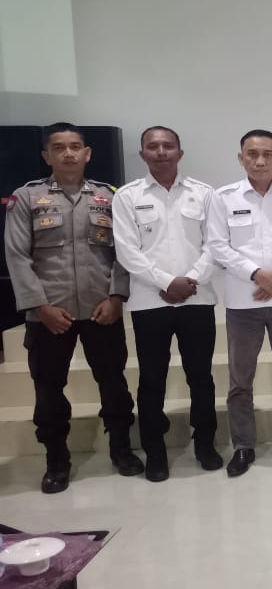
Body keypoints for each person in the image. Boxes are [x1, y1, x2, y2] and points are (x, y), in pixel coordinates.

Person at [3, 121, 143, 493]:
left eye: (75, 147)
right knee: (49, 390)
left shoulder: (109, 197)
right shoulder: (26, 198)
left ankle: (121, 449)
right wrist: (40, 306)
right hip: (49, 314)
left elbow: (124, 253)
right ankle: (56, 461)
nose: (68, 154)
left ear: (87, 153)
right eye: (59, 147)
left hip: (101, 309)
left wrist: (117, 297)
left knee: (113, 384)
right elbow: (17, 257)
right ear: (46, 155)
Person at [111, 126, 223, 481]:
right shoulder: (127, 196)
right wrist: (166, 282)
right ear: (142, 153)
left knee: (201, 377)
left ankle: (205, 443)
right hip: (150, 302)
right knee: (152, 379)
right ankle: (155, 451)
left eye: (168, 145)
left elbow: (215, 244)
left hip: (197, 298)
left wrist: (189, 280)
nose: (161, 151)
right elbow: (126, 251)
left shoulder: (204, 194)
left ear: (180, 152)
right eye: (153, 146)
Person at [206, 129, 272, 477]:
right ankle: (243, 446)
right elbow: (217, 245)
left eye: (268, 154)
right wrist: (256, 274)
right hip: (243, 302)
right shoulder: (223, 198)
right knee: (241, 380)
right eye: (252, 154)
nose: (260, 160)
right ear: (241, 158)